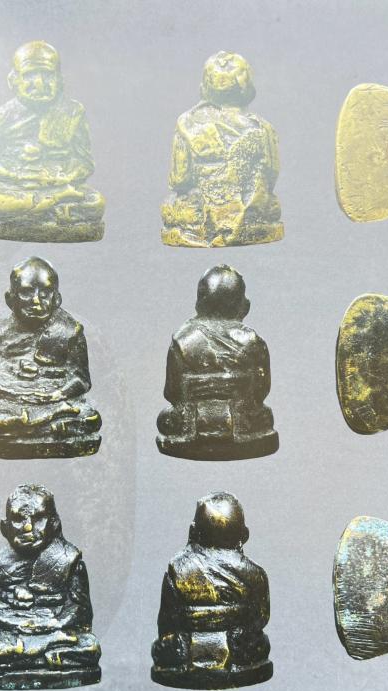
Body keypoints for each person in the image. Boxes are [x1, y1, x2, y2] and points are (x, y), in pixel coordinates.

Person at [0, 484, 101, 689]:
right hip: (15, 631)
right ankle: (48, 648)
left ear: (54, 524)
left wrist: (53, 624)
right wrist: (19, 624)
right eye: (18, 519)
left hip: (56, 628)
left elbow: (81, 611)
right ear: (4, 527)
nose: (28, 527)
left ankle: (32, 652)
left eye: (38, 518)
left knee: (90, 647)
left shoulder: (68, 559)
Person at [0, 256, 101, 458]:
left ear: (57, 299)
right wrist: (20, 394)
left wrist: (55, 395)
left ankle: (27, 425)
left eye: (45, 293)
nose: (36, 301)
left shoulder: (69, 331)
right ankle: (39, 423)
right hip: (14, 403)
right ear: (10, 299)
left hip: (57, 401)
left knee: (90, 418)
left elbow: (81, 380)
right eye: (26, 292)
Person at [0, 41, 105, 241]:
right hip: (21, 189)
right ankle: (53, 206)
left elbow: (85, 163)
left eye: (47, 75)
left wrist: (63, 177)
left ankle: (39, 209)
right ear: (13, 80)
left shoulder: (72, 112)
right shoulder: (3, 116)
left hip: (61, 185)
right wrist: (19, 176)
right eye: (29, 75)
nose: (39, 84)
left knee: (95, 202)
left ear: (60, 80)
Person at [161, 51, 284, 247]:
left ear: (206, 85)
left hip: (205, 212)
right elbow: (271, 175)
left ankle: (212, 226)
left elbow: (180, 180)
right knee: (270, 204)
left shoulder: (188, 124)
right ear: (246, 86)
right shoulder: (264, 128)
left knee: (174, 206)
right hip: (253, 213)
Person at [151, 492, 273, 689]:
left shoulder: (178, 569)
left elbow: (166, 623)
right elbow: (261, 618)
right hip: (238, 652)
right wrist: (231, 615)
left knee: (164, 646)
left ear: (193, 531)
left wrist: (197, 618)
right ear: (244, 535)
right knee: (257, 643)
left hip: (185, 652)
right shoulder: (254, 574)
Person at [156, 265, 278, 459]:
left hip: (191, 426)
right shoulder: (253, 341)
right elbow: (262, 390)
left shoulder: (183, 340)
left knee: (165, 419)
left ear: (200, 302)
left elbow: (172, 393)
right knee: (265, 415)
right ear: (241, 304)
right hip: (245, 424)